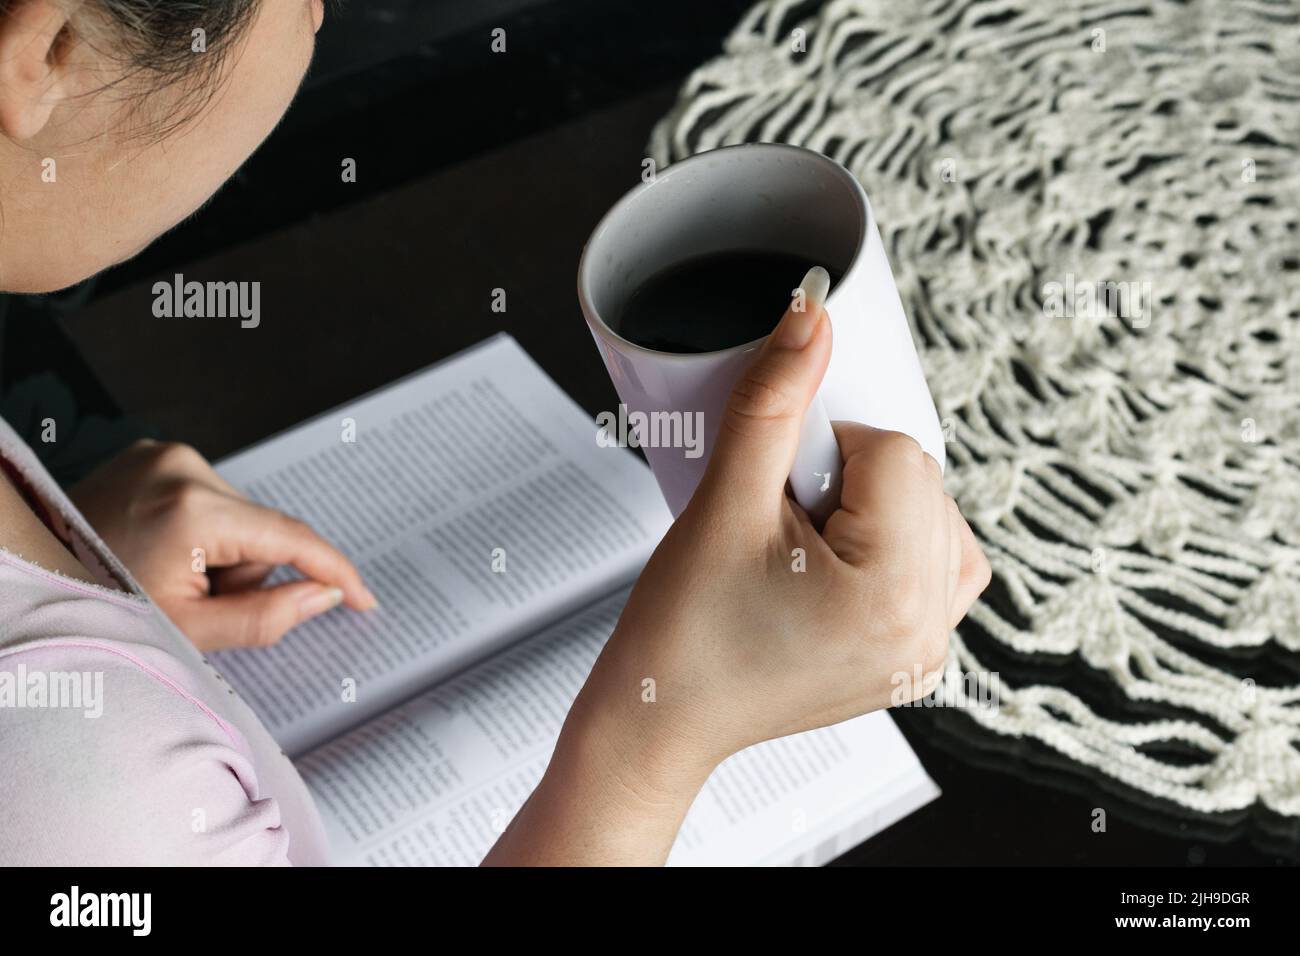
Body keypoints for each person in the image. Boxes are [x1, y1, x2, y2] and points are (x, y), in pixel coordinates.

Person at [0, 0, 989, 865]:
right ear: (45, 51)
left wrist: (78, 559)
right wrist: (657, 742)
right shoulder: (95, 807)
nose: (321, 14)